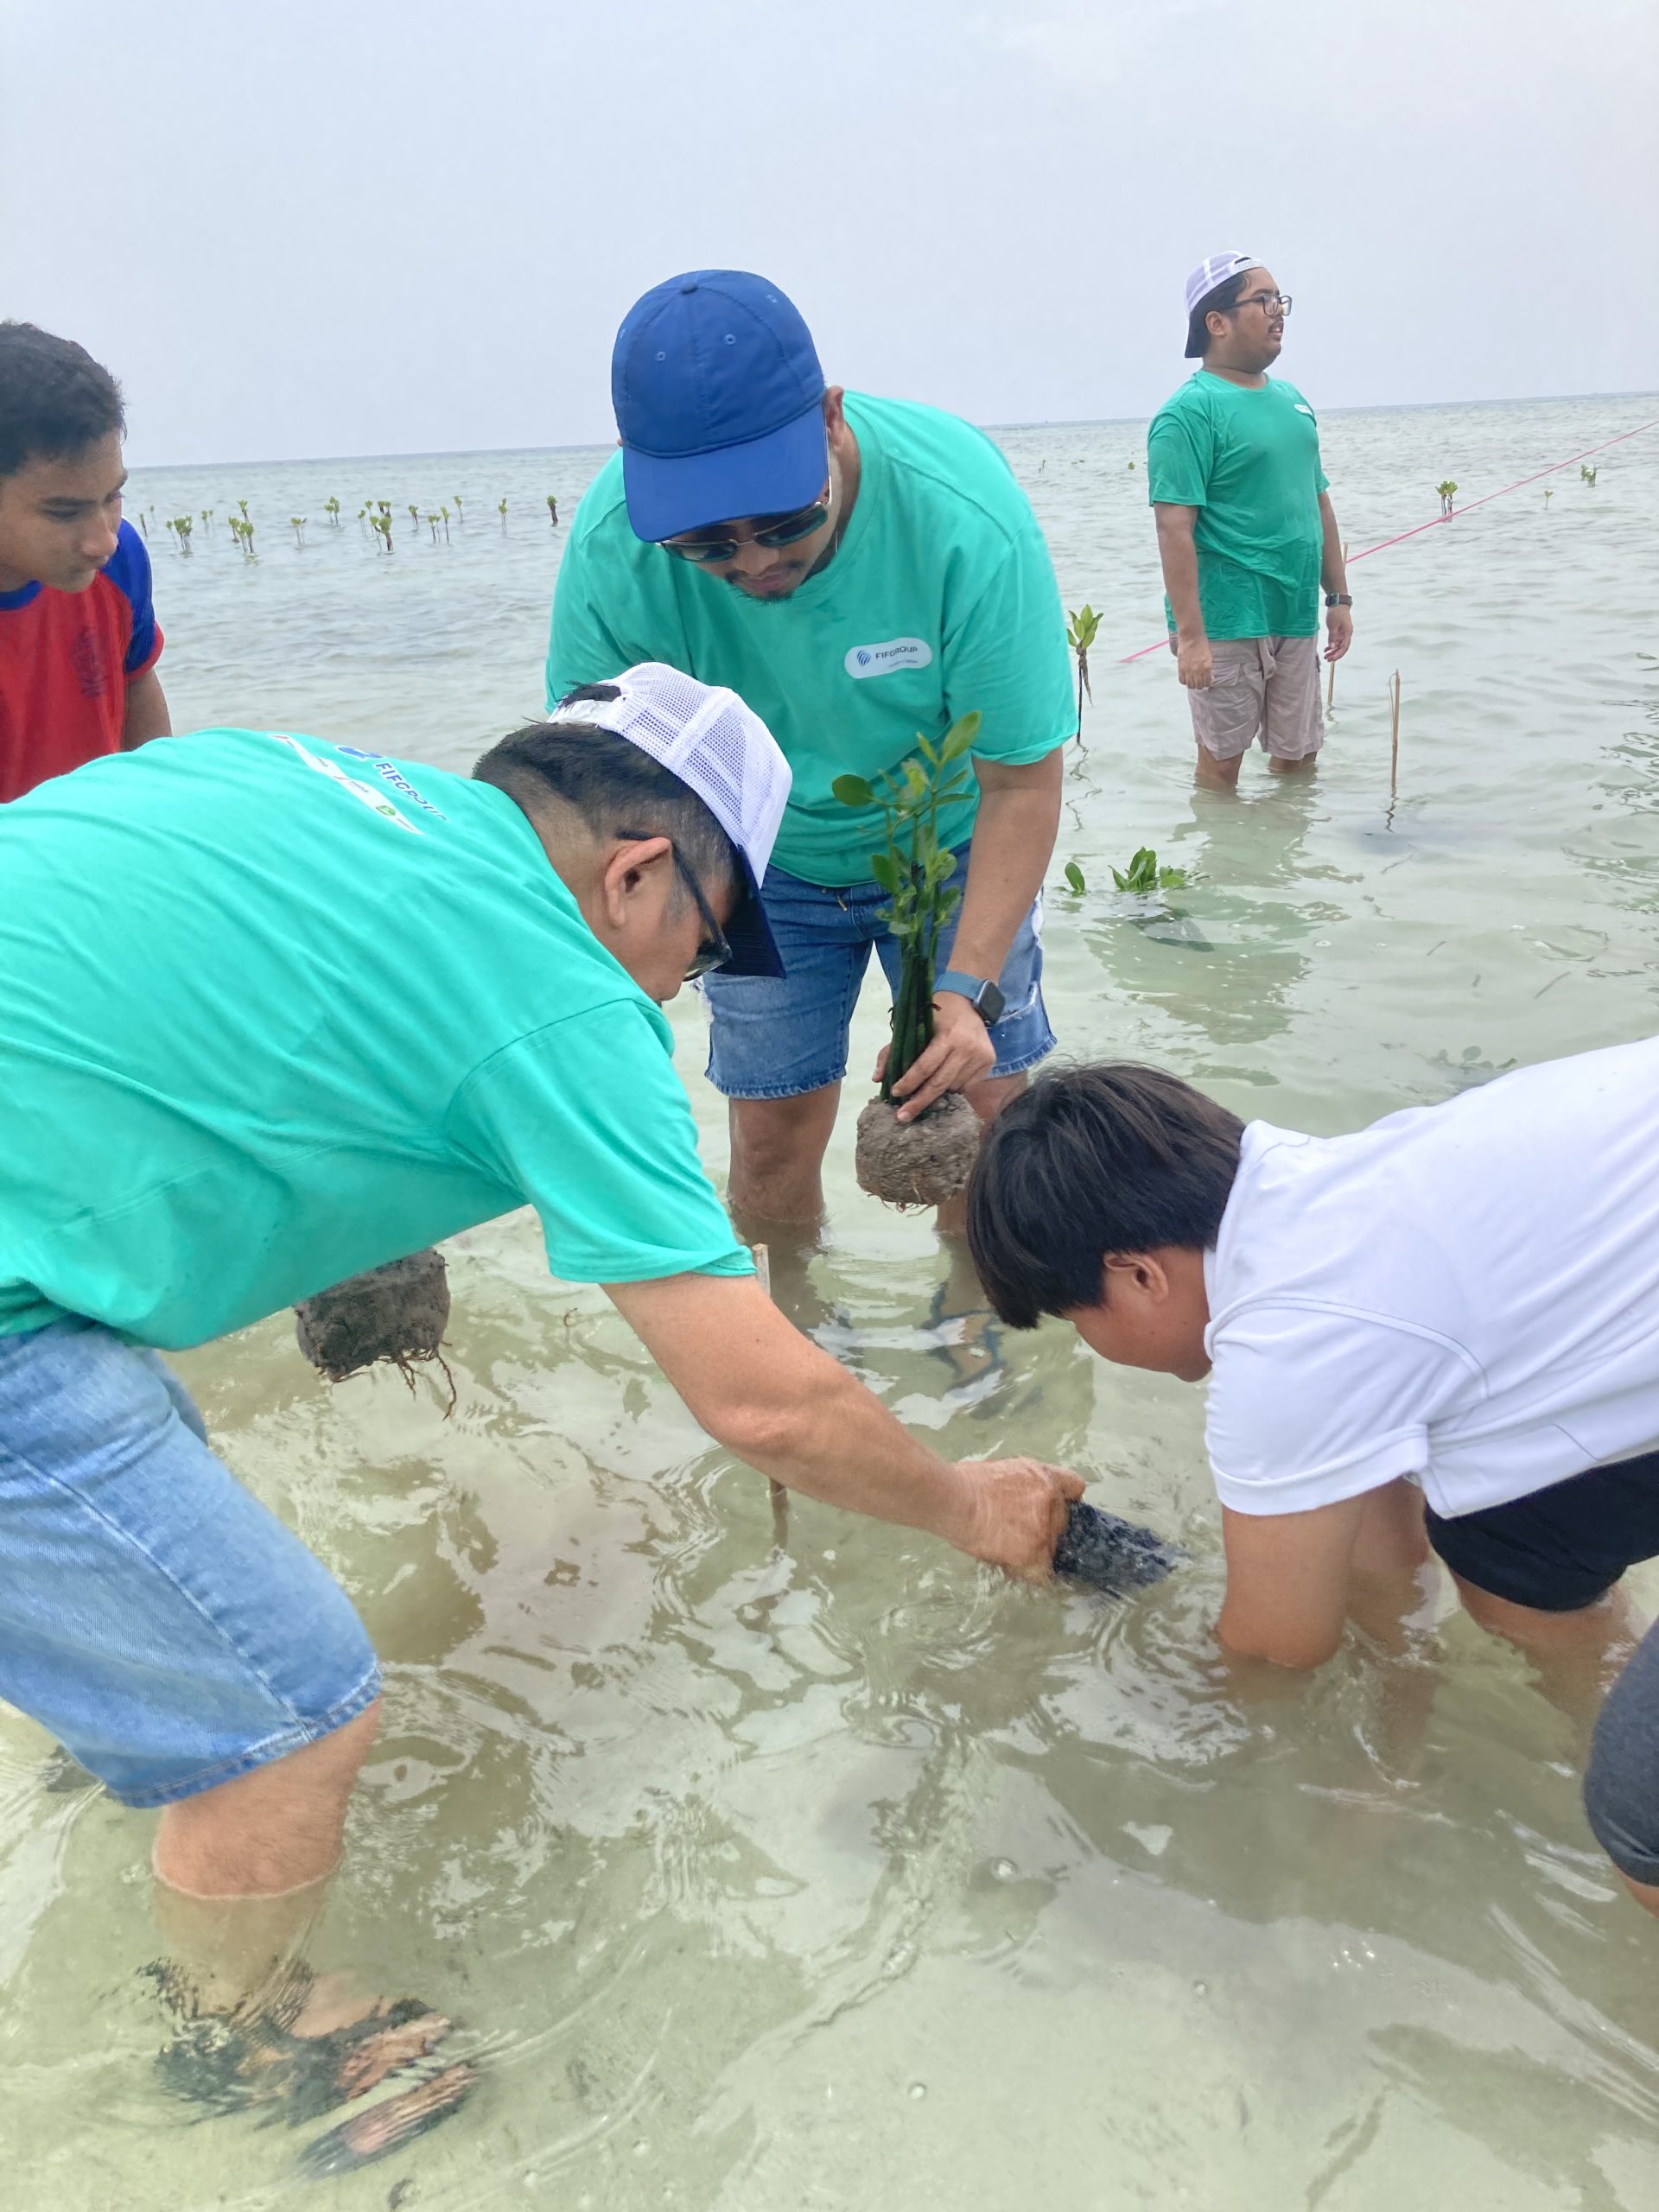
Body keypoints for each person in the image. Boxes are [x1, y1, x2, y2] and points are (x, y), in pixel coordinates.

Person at [0, 664, 1077, 2167]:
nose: (677, 991)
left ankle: (112, 1701)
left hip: (34, 1236)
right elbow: (759, 1404)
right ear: (638, 872)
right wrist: (972, 1507)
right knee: (296, 1707)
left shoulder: (285, 775)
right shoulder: (562, 991)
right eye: (701, 949)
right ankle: (228, 2042)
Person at [965, 1046, 1659, 1916]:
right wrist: (1397, 1745)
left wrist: (1156, 1701)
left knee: (1640, 1817)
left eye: (1077, 1319)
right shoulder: (1316, 1187)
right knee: (1507, 1551)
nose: (1089, 1343)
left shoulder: (1287, 1341)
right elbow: (1388, 1560)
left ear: (1138, 1274)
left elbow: (1275, 1646)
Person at [546, 270, 1076, 1243]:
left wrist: (965, 993)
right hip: (751, 852)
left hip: (948, 837)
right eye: (707, 543)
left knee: (984, 1110)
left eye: (786, 522)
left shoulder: (963, 515)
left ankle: (979, 1328)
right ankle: (797, 1317)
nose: (753, 562)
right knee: (772, 1129)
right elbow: (591, 804)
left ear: (831, 421)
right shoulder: (613, 549)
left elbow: (1020, 780)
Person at [1147, 255, 1351, 791]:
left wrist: (1339, 599)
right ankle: (1223, 871)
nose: (1278, 312)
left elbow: (1319, 503)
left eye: (1280, 300)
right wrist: (1191, 638)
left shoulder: (1294, 402)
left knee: (1299, 761)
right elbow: (1174, 527)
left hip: (1295, 613)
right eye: (1263, 301)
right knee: (1221, 771)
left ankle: (1278, 872)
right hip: (1226, 622)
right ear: (1216, 322)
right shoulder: (1188, 412)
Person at [0, 321, 169, 803]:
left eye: (112, 496)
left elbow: (136, 682)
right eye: (64, 511)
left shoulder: (120, 562)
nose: (102, 542)